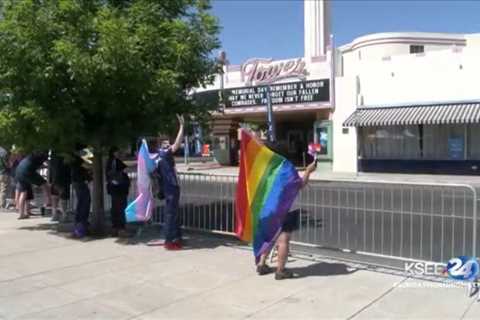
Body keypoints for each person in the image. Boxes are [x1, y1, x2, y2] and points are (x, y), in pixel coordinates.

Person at [256, 160, 317, 280]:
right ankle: (280, 270)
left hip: (267, 210)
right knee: (283, 240)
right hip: (283, 212)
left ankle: (261, 264)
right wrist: (308, 171)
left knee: (268, 238)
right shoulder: (287, 171)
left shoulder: (270, 171)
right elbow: (300, 184)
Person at [155, 114, 184, 250]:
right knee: (171, 214)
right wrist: (182, 127)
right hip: (171, 187)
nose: (168, 142)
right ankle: (169, 240)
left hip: (169, 188)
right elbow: (177, 144)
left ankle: (175, 238)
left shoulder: (158, 155)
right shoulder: (164, 153)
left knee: (173, 213)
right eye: (165, 140)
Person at [15, 152, 52, 219]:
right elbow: (44, 165)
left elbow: (37, 165)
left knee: (24, 192)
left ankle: (22, 214)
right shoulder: (43, 156)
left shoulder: (32, 155)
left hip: (19, 171)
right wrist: (48, 166)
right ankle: (48, 202)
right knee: (45, 184)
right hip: (27, 171)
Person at [106, 146, 130, 237]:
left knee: (115, 208)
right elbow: (124, 170)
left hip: (114, 189)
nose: (120, 153)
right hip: (119, 189)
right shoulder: (114, 162)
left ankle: (115, 229)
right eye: (118, 151)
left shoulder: (111, 162)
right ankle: (121, 229)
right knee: (120, 208)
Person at [70, 147, 92, 238]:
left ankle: (79, 227)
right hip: (80, 180)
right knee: (84, 202)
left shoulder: (75, 156)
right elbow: (89, 164)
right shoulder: (84, 151)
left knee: (81, 202)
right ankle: (81, 227)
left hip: (77, 180)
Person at [49, 152, 71, 222]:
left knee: (55, 196)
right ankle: (64, 215)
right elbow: (68, 167)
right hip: (64, 177)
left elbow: (50, 167)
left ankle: (54, 214)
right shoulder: (66, 154)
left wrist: (50, 179)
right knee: (63, 197)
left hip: (54, 178)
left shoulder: (53, 154)